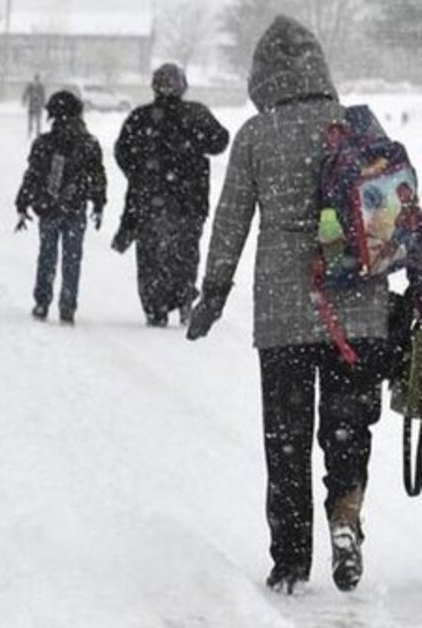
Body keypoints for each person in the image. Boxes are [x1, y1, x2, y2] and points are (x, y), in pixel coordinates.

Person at [187, 16, 406, 595]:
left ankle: (289, 562)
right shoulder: (356, 125)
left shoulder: (257, 135)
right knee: (347, 427)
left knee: (285, 438)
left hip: (283, 312)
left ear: (262, 76)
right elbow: (393, 210)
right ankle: (345, 516)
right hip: (357, 308)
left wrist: (213, 293)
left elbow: (231, 220)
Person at [113, 63, 230, 327]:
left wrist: (139, 173)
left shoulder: (140, 117)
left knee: (151, 256)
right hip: (190, 200)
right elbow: (220, 141)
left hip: (149, 200)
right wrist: (193, 144)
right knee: (185, 253)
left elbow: (122, 152)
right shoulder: (195, 114)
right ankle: (183, 296)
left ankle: (156, 306)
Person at [14, 91, 107, 325]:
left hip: (48, 207)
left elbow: (32, 176)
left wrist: (23, 202)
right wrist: (98, 202)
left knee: (47, 255)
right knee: (72, 259)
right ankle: (67, 305)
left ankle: (42, 302)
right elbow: (98, 176)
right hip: (76, 208)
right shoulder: (89, 143)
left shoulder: (44, 143)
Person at [22, 74, 47, 138]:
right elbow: (26, 93)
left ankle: (35, 132)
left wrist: (43, 103)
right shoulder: (32, 85)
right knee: (33, 120)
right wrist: (24, 100)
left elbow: (43, 95)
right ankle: (31, 132)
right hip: (33, 105)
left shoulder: (39, 86)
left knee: (36, 120)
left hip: (36, 105)